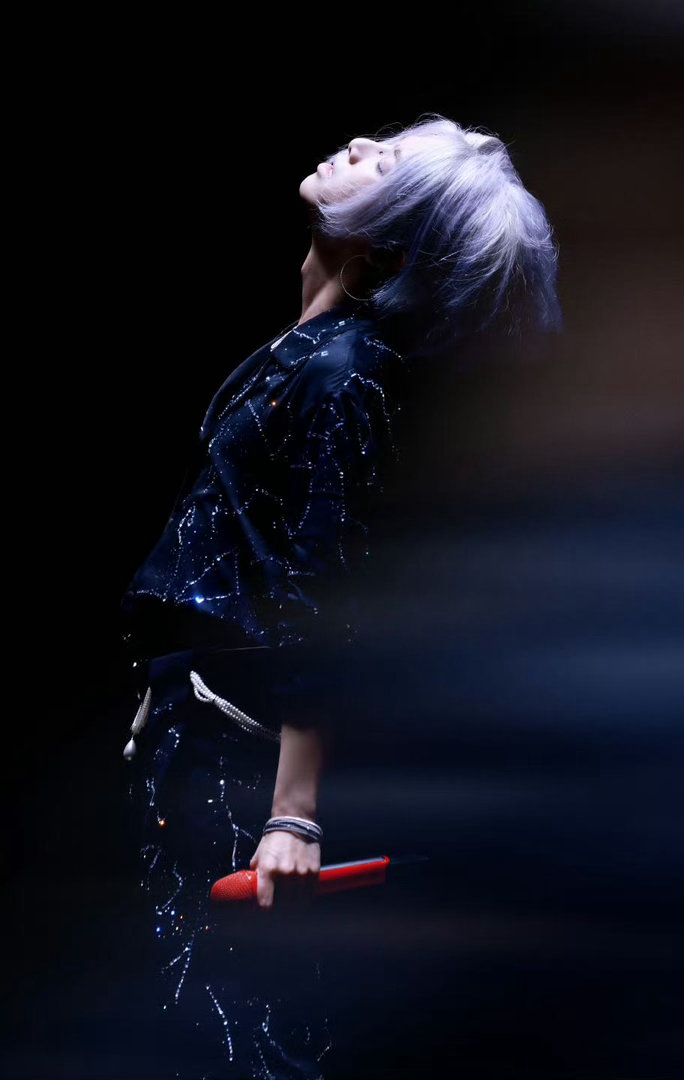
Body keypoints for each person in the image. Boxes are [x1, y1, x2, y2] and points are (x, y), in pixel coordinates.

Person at [118, 113, 561, 1079]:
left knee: (241, 1031)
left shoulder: (345, 376)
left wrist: (294, 815)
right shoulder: (317, 352)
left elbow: (327, 607)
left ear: (390, 237)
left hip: (241, 762)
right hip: (202, 732)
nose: (358, 147)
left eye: (385, 161)